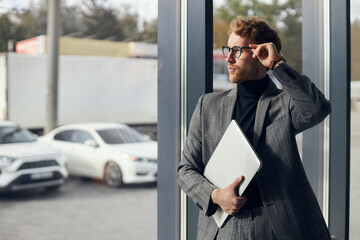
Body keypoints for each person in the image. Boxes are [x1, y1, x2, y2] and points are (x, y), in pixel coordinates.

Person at [177, 16, 331, 240]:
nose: (228, 58)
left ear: (260, 54)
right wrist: (215, 195)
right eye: (227, 49)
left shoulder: (284, 103)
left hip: (279, 228)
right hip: (223, 228)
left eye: (237, 51)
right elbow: (185, 170)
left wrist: (278, 64)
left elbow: (317, 109)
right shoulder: (207, 106)